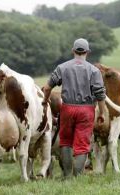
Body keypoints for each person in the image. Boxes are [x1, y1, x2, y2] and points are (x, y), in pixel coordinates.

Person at [43, 38, 106, 178]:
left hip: (67, 109)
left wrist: (45, 101)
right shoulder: (94, 71)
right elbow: (100, 95)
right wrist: (101, 113)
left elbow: (47, 87)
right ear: (87, 52)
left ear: (73, 51)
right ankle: (77, 177)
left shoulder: (62, 67)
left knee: (65, 141)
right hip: (86, 110)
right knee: (82, 145)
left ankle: (67, 175)